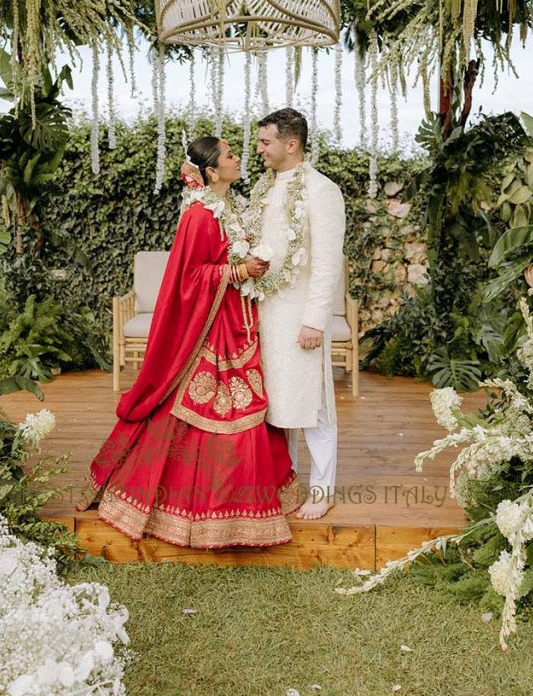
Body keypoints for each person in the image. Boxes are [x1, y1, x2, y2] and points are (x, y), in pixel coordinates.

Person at [75, 136, 301, 548]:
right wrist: (239, 271)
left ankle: (244, 508)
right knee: (208, 410)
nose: (238, 159)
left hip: (236, 320)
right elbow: (189, 277)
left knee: (243, 406)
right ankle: (188, 510)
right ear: (212, 171)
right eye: (231, 155)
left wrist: (248, 266)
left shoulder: (227, 207)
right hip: (209, 329)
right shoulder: (199, 215)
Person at [244, 108, 346, 520]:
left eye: (266, 142)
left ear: (291, 144)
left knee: (313, 406)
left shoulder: (323, 191)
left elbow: (327, 262)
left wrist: (314, 321)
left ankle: (323, 490)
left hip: (300, 317)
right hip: (264, 313)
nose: (259, 150)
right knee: (277, 406)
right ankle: (284, 487)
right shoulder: (264, 189)